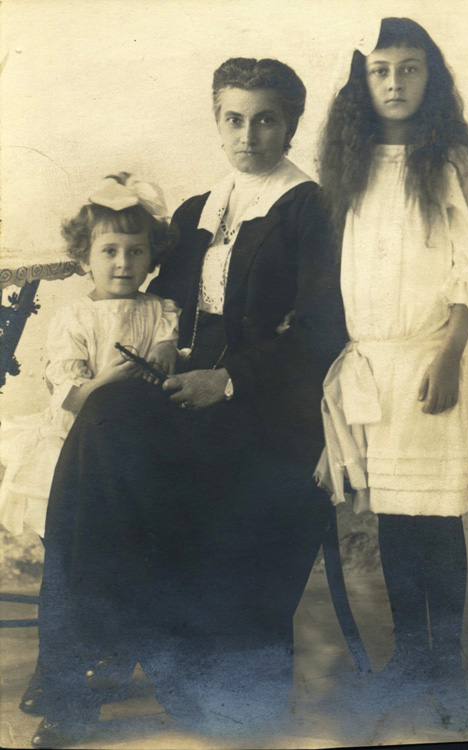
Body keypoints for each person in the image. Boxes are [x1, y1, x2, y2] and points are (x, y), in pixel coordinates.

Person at [31, 58, 344, 748]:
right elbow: (151, 302)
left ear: (291, 124)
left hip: (268, 410)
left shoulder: (311, 210)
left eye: (265, 120)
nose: (248, 135)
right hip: (186, 398)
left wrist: (225, 380)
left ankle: (122, 658)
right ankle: (78, 673)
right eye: (233, 119)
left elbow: (323, 332)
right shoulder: (199, 208)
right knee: (102, 420)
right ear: (216, 122)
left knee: (107, 436)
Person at [315, 17, 468, 728]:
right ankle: (408, 658)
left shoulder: (449, 159)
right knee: (396, 522)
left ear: (430, 77)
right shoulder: (352, 163)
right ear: (362, 82)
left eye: (409, 68)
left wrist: (450, 356)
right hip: (376, 368)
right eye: (380, 71)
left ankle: (448, 670)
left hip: (436, 361)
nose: (395, 83)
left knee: (437, 521)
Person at [0, 172, 179, 713]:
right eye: (109, 251)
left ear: (152, 257)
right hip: (74, 447)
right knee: (71, 552)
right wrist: (109, 380)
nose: (123, 263)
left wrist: (161, 358)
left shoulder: (161, 311)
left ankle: (117, 654)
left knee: (130, 550)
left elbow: (168, 363)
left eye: (136, 251)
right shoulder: (74, 317)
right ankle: (55, 665)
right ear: (84, 258)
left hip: (135, 451)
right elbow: (70, 396)